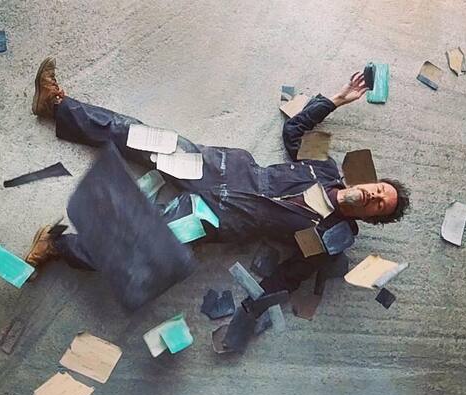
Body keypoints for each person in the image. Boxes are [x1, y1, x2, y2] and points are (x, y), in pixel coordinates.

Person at [24, 57, 410, 295]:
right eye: (377, 190)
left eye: (377, 205)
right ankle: (57, 107)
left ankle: (56, 249)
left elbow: (289, 274)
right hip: (218, 167)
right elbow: (293, 132)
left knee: (143, 247)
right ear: (366, 181)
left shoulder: (332, 237)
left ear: (369, 218)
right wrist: (335, 100)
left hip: (214, 218)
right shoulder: (324, 167)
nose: (372, 197)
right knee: (133, 133)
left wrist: (258, 302)